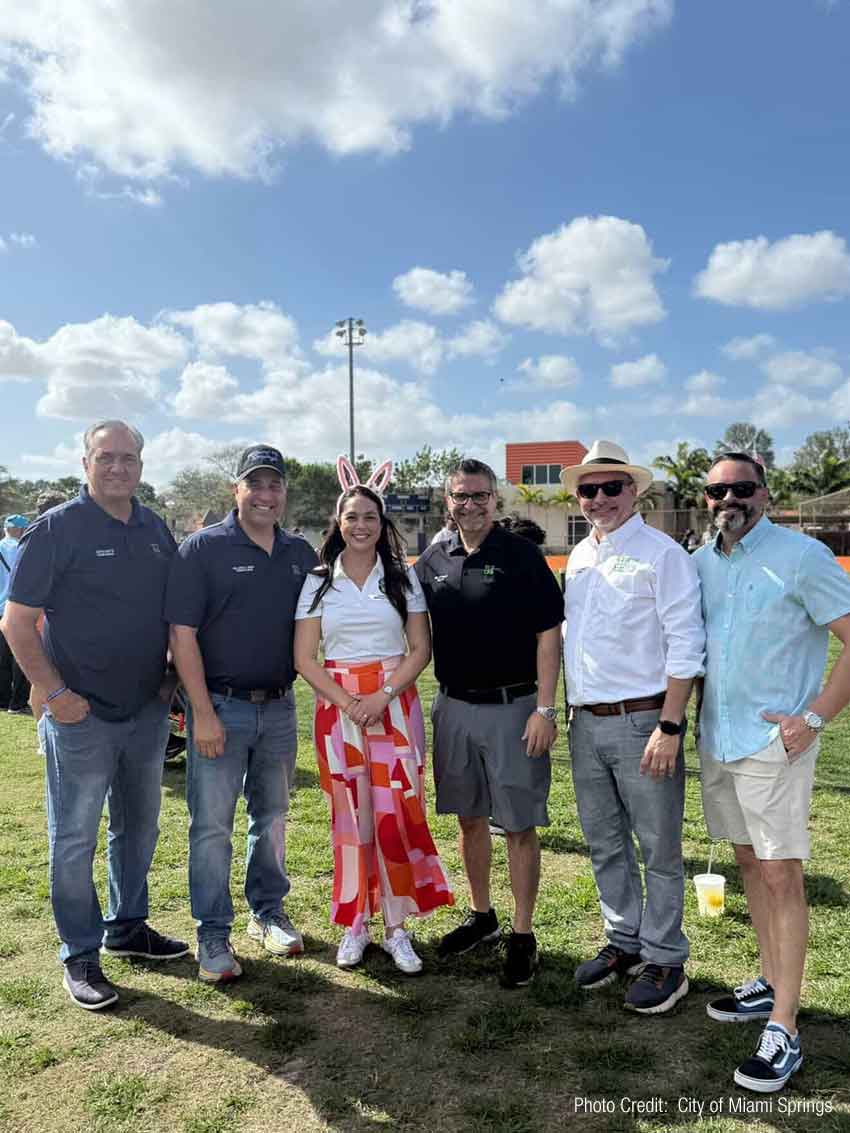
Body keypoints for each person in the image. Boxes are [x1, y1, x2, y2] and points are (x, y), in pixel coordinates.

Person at [1, 421, 188, 1011]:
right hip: (80, 716)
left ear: (141, 463)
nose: (118, 468)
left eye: (128, 458)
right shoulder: (55, 530)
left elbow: (170, 615)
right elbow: (16, 622)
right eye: (106, 458)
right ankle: (80, 953)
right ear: (85, 463)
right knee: (75, 836)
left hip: (146, 712)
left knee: (139, 827)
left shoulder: (155, 527)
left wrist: (167, 678)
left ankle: (128, 927)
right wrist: (54, 694)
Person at [696, 452, 850, 1093]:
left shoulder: (802, 556)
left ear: (765, 492)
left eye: (741, 488)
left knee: (782, 875)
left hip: (775, 743)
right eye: (715, 491)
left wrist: (813, 718)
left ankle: (784, 1027)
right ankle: (767, 981)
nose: (727, 499)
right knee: (751, 866)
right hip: (717, 741)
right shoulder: (702, 561)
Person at [561, 440, 704, 1014]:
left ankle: (666, 957)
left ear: (634, 490)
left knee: (660, 847)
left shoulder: (663, 554)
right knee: (604, 841)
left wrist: (670, 726)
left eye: (611, 487)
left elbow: (686, 644)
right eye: (587, 490)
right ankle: (624, 940)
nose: (599, 499)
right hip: (586, 722)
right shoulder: (579, 555)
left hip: (645, 719)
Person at [294, 458, 453, 974]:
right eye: (351, 516)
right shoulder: (318, 581)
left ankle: (397, 926)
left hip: (394, 709)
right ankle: (356, 924)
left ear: (382, 525)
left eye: (370, 517)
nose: (360, 525)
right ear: (337, 523)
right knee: (351, 819)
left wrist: (382, 696)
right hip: (340, 715)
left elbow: (419, 649)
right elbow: (304, 659)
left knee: (396, 815)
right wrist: (349, 703)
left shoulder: (402, 578)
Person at [166, 444, 318, 983]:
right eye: (255, 484)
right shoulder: (202, 548)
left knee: (272, 818)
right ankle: (212, 933)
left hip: (279, 707)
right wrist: (200, 711)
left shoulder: (301, 553)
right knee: (211, 827)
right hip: (221, 707)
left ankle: (268, 912)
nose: (265, 494)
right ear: (237, 490)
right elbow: (181, 634)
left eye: (274, 485)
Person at [415, 458, 563, 989]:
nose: (470, 505)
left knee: (519, 825)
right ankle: (482, 917)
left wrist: (545, 709)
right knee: (469, 818)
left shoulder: (521, 555)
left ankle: (522, 935)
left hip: (514, 709)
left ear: (495, 501)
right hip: (453, 707)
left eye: (480, 496)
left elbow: (550, 634)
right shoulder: (432, 558)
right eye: (461, 496)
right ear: (447, 501)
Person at [0, 515, 31, 714]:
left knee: (1, 658)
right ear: (21, 530)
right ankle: (18, 703)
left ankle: (2, 700)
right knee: (22, 656)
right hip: (20, 610)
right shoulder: (26, 548)